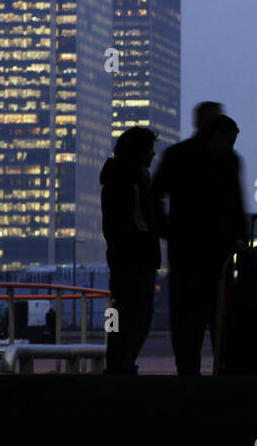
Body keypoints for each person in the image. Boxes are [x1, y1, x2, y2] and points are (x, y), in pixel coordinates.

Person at [151, 112, 248, 375]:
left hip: (186, 249)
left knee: (186, 317)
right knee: (221, 315)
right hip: (218, 251)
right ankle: (223, 368)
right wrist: (242, 238)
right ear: (215, 135)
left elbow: (154, 196)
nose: (231, 146)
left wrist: (168, 231)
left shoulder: (177, 155)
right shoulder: (229, 161)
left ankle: (188, 371)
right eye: (229, 140)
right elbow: (236, 203)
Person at [99, 126, 161, 374]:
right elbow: (134, 224)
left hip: (126, 259)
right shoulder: (130, 184)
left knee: (124, 311)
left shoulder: (122, 180)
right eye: (149, 149)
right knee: (133, 313)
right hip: (135, 260)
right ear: (138, 152)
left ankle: (119, 361)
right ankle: (120, 363)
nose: (153, 155)